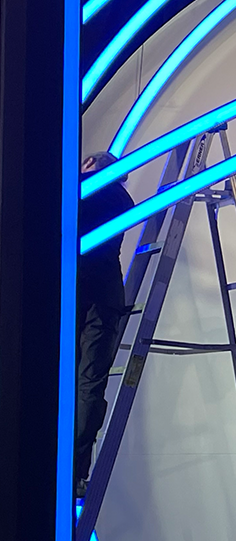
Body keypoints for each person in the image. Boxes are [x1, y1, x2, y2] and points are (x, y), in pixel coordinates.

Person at [76, 152, 135, 499]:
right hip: (99, 297)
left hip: (88, 296)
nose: (82, 167)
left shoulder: (97, 192)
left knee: (83, 385)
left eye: (87, 163)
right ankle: (74, 467)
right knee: (87, 385)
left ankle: (69, 465)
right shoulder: (117, 197)